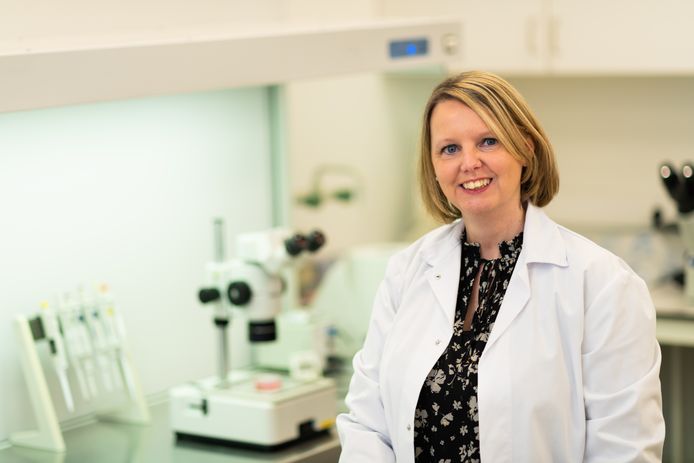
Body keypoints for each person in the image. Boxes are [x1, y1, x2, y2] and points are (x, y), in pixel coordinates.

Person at [336, 71, 665, 462]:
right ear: (434, 166)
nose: (469, 163)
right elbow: (368, 424)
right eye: (449, 149)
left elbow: (626, 449)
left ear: (524, 150)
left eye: (488, 142)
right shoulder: (407, 272)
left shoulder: (602, 283)